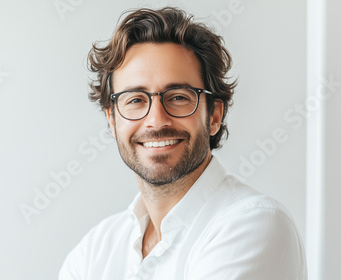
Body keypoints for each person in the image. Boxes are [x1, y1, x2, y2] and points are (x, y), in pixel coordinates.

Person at [59, 7, 306, 280]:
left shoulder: (254, 224)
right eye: (135, 99)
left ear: (213, 116)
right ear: (112, 120)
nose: (156, 120)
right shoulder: (95, 249)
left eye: (178, 97)